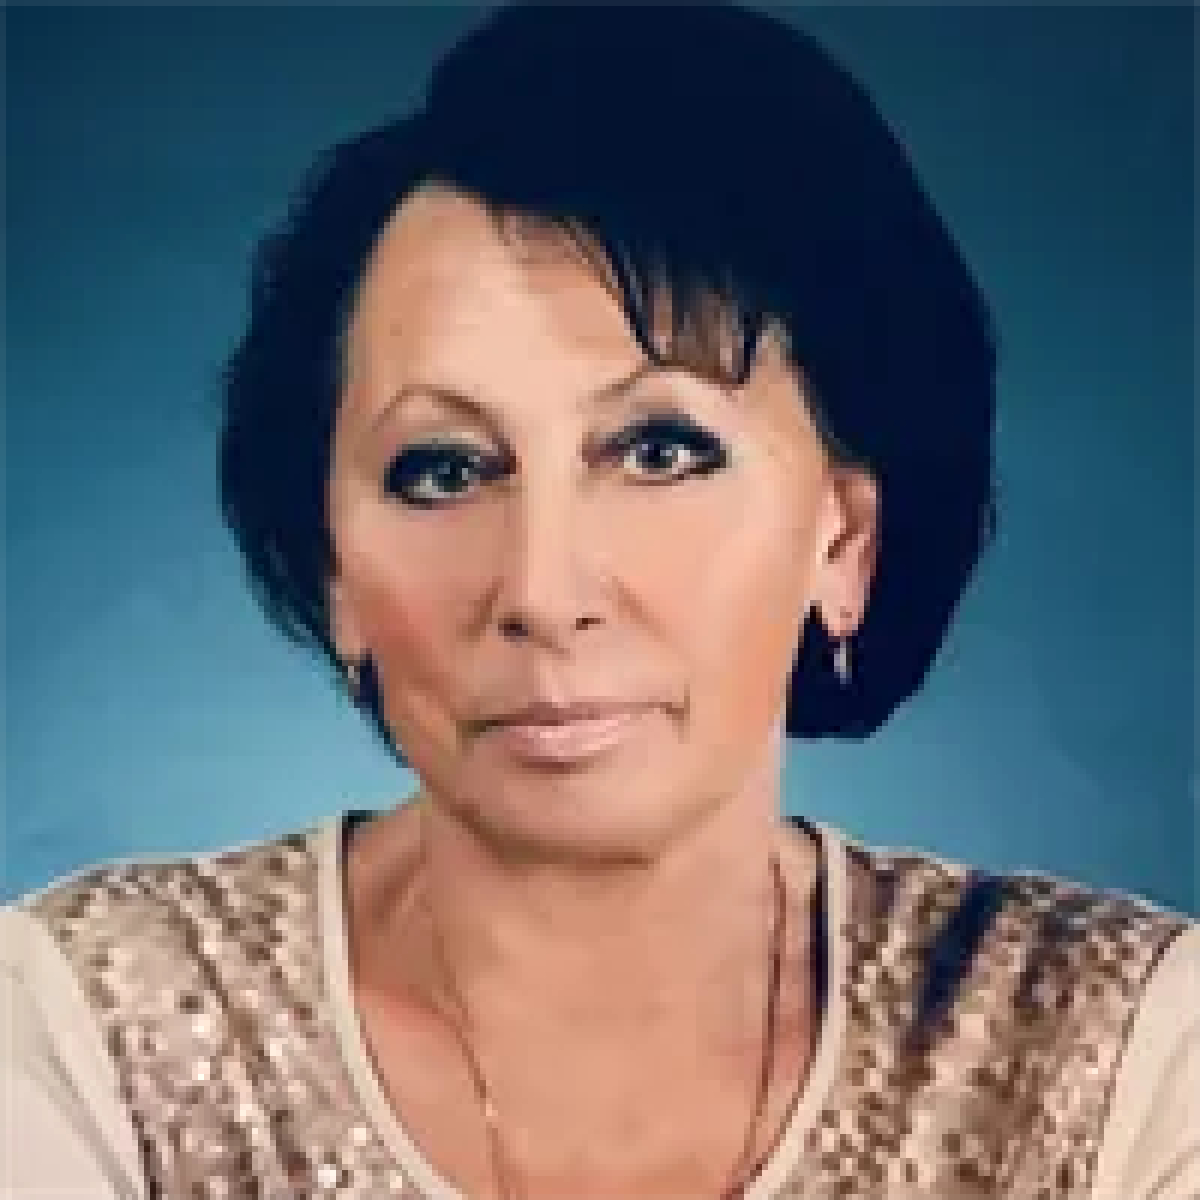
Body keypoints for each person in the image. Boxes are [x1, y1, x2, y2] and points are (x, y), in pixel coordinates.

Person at [2, 3, 1195, 1198]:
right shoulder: (87, 1027)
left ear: (844, 541)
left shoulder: (1123, 1053)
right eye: (445, 470)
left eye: (661, 452)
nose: (543, 591)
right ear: (332, 568)